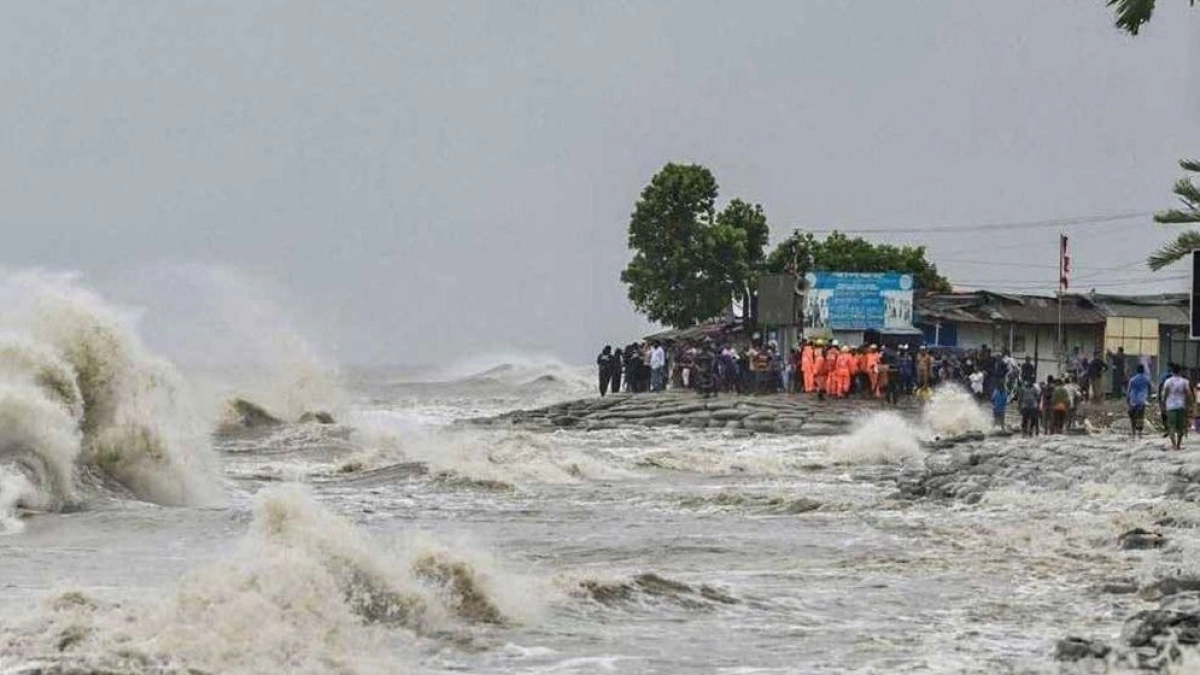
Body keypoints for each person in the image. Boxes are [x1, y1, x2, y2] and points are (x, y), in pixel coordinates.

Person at [1160, 363, 1194, 450]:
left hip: (1170, 406)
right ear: (1180, 371)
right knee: (1180, 427)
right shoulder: (1185, 381)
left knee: (1171, 426)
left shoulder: (1168, 381)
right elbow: (1188, 394)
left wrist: (1163, 402)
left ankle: (1174, 445)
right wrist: (1190, 404)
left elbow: (1165, 393)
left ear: (1172, 371)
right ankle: (1178, 445)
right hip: (1181, 406)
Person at [1126, 364, 1151, 439]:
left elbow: (1129, 390)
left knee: (1132, 416)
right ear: (1143, 370)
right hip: (1141, 400)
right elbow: (1149, 388)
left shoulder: (1132, 379)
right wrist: (1148, 397)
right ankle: (1140, 433)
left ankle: (1133, 432)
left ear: (1137, 370)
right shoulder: (1146, 379)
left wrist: (1128, 399)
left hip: (1133, 400)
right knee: (1140, 416)